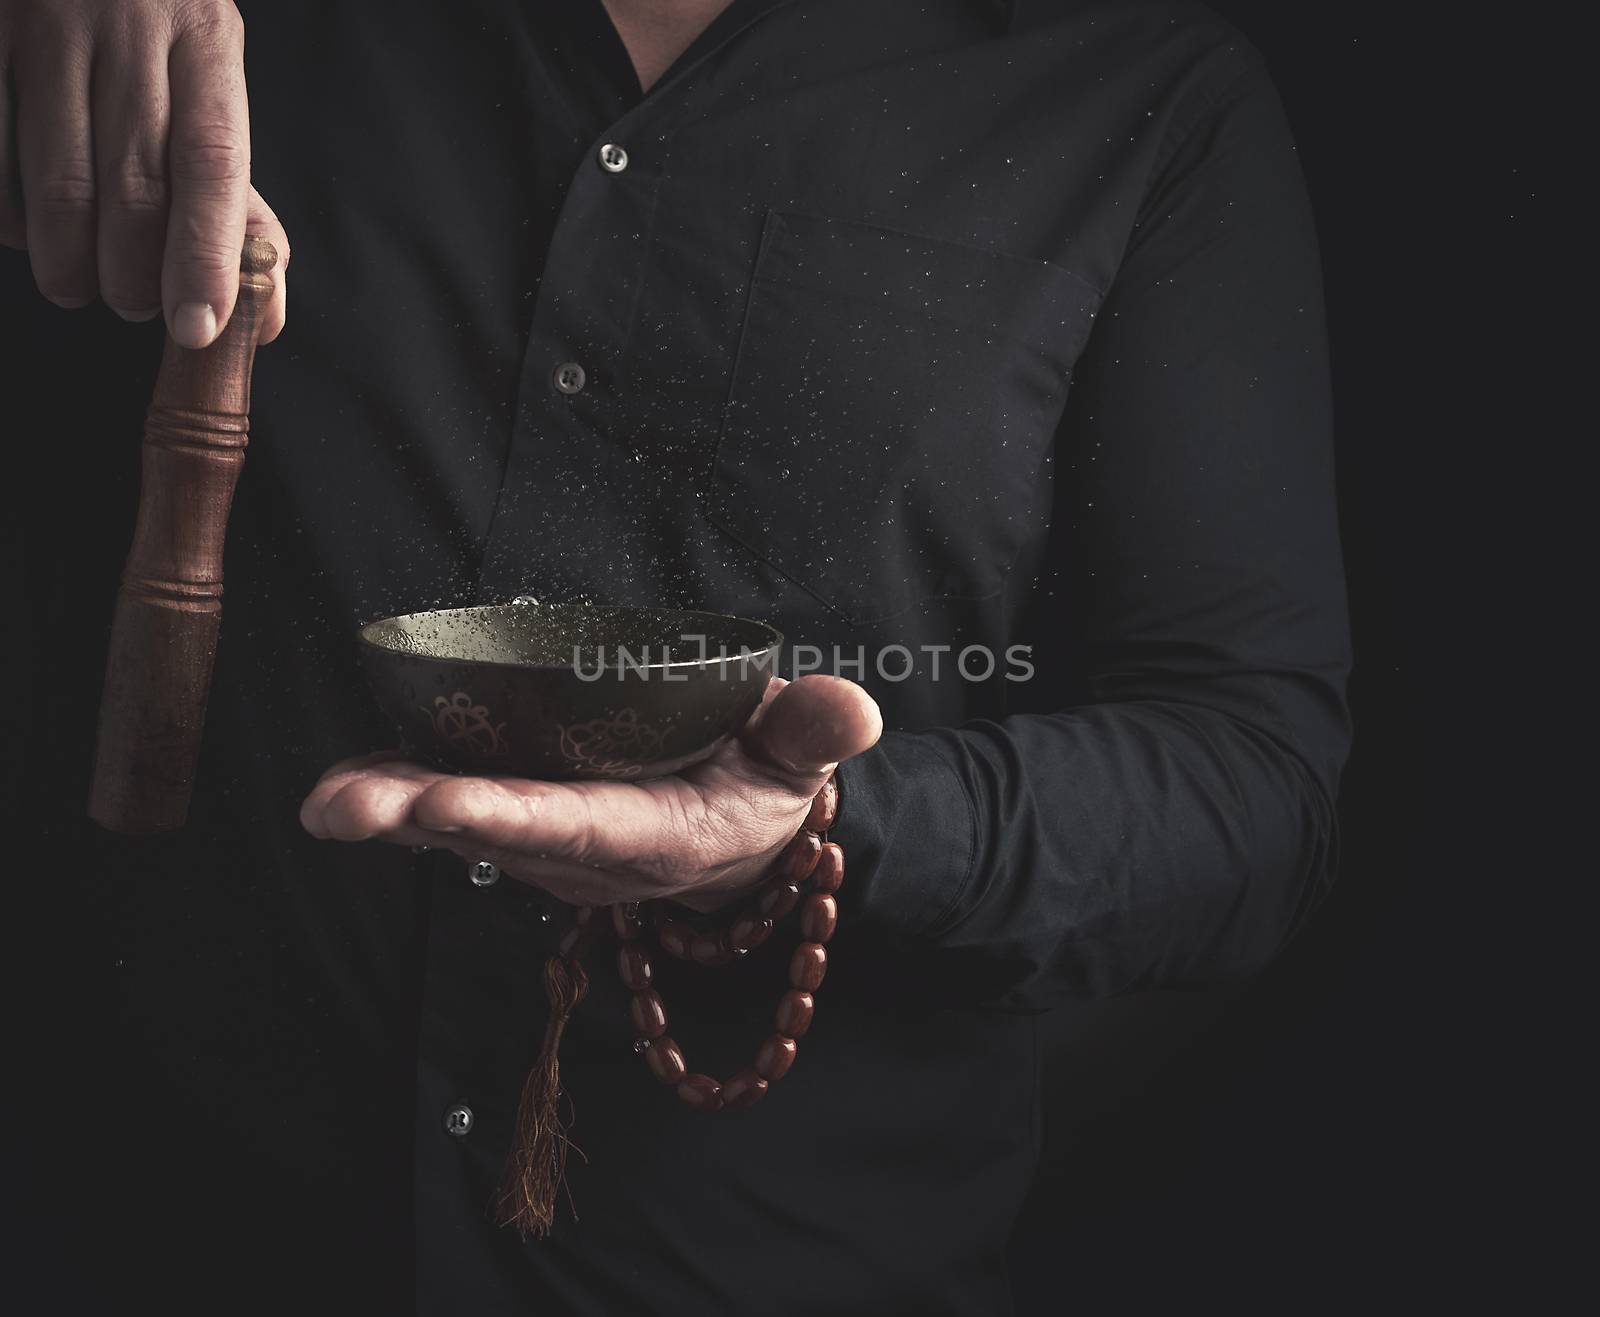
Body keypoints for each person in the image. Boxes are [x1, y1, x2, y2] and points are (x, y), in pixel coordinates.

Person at [6, 0, 1351, 1312]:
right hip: (150, 1226)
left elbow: (1251, 783)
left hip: (765, 1262)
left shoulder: (1140, 82)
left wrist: (817, 826)